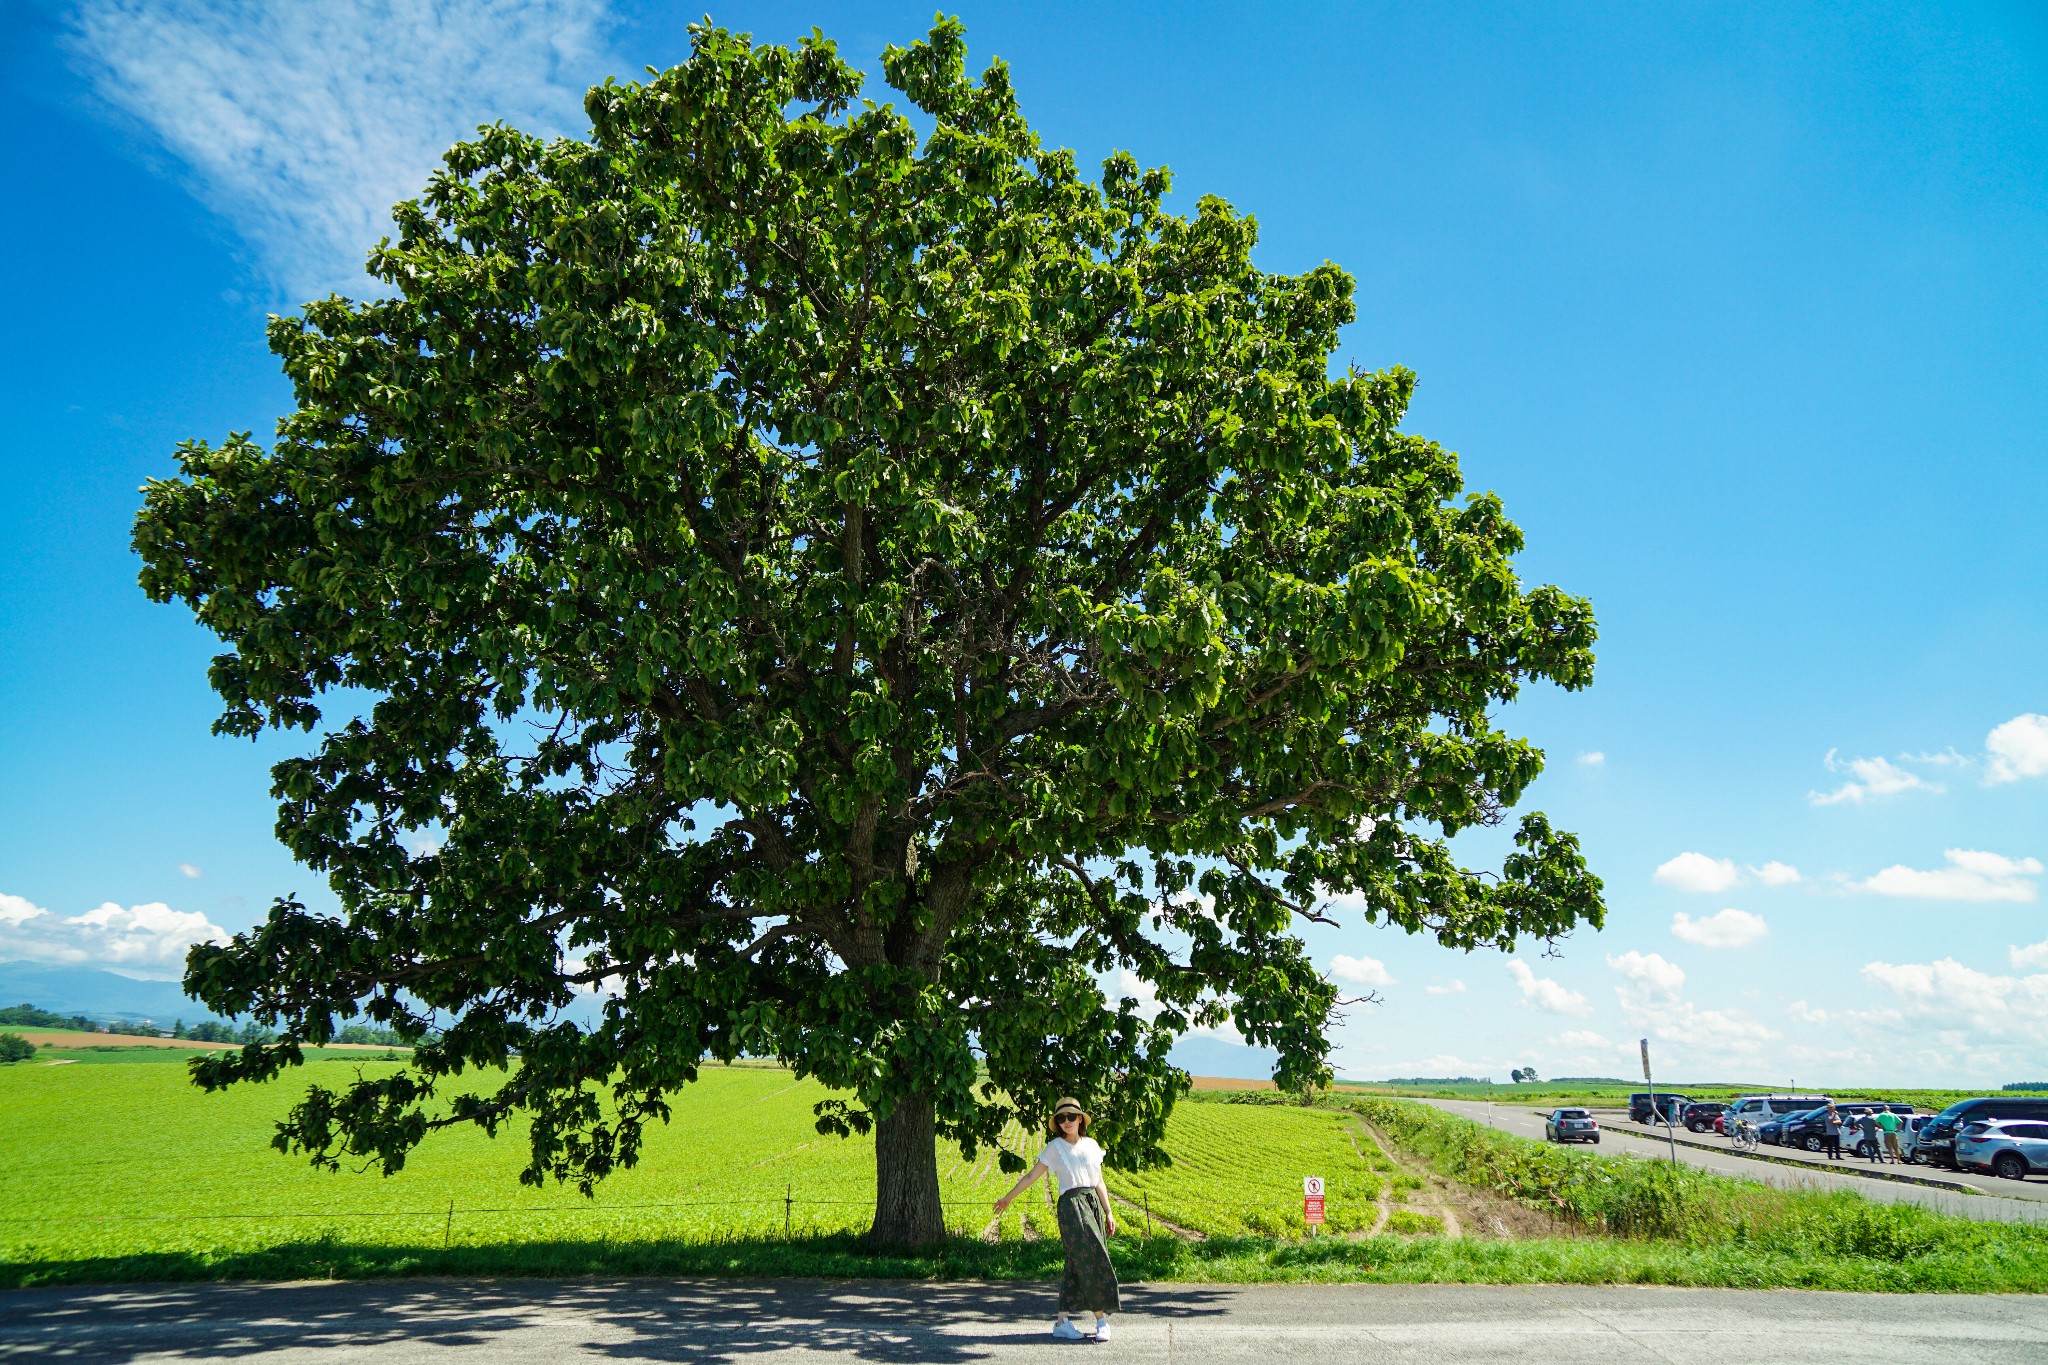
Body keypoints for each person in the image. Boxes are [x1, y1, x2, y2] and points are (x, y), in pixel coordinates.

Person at [993, 1097, 1119, 1342]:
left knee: (1075, 1262)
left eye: (1071, 1117)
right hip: (1071, 1207)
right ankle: (1101, 1320)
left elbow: (1099, 1181)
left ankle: (1062, 1321)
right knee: (1092, 1257)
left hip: (1092, 1203)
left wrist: (1108, 1211)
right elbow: (1031, 1176)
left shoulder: (1092, 1145)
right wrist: (1008, 1198)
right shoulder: (1054, 1148)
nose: (1066, 1122)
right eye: (1061, 1118)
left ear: (1080, 1119)